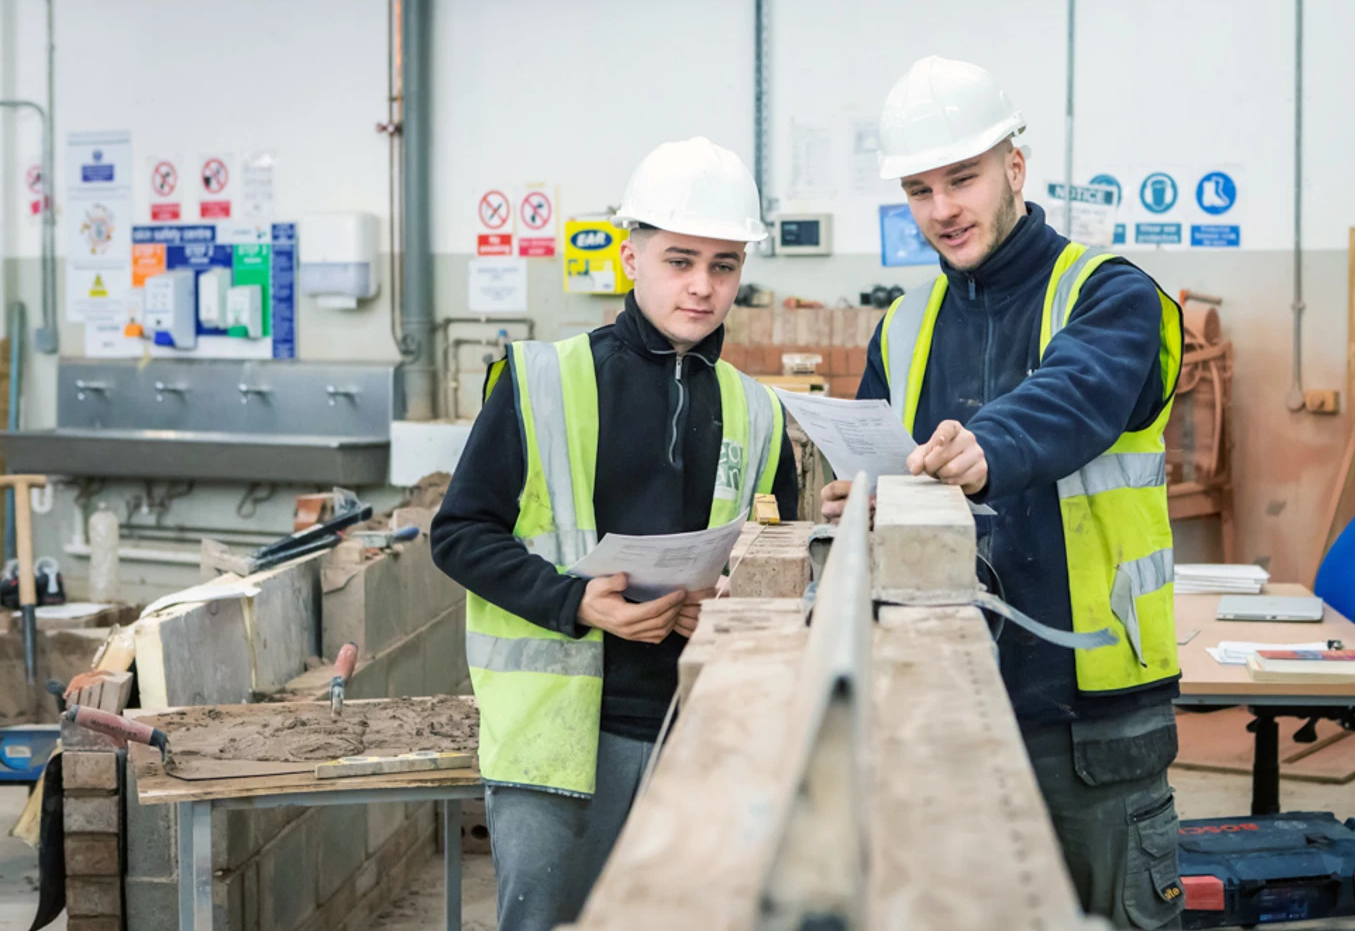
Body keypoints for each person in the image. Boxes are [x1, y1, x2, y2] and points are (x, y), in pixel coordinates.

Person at [822, 56, 1185, 929]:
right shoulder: (905, 328)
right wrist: (864, 497)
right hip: (937, 699)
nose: (942, 208)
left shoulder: (1109, 294)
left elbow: (1073, 395)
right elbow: (890, 460)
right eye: (919, 188)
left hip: (1089, 713)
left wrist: (988, 444)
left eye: (962, 178)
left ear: (1014, 169)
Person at [432, 136, 799, 931]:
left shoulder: (760, 414)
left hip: (696, 733)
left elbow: (779, 564)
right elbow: (459, 532)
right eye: (679, 260)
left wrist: (729, 605)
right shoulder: (540, 380)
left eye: (724, 265)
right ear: (631, 256)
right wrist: (577, 602)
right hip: (556, 743)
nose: (702, 287)